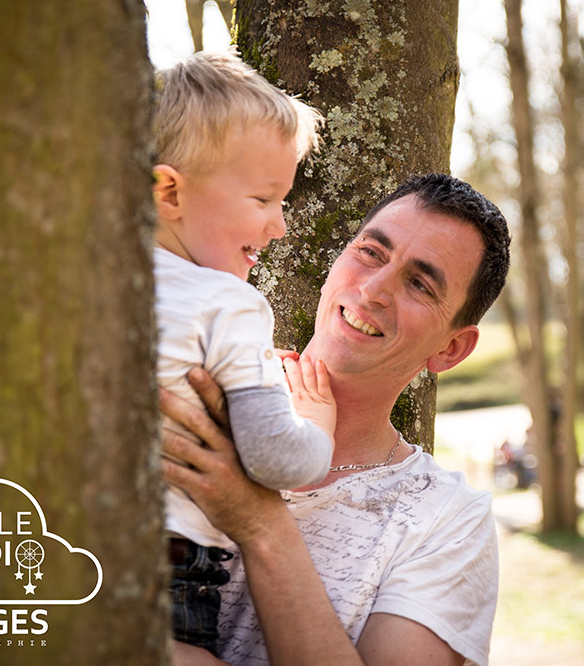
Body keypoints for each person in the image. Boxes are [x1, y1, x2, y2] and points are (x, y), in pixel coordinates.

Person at [160, 173, 511, 666]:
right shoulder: (191, 380)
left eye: (419, 283)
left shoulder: (447, 523)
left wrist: (258, 522)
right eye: (371, 252)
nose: (373, 290)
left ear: (451, 348)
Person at [151, 51, 334, 655]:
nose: (279, 227)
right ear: (169, 192)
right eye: (263, 200)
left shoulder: (88, 278)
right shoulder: (226, 301)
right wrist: (315, 426)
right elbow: (274, 457)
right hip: (167, 570)